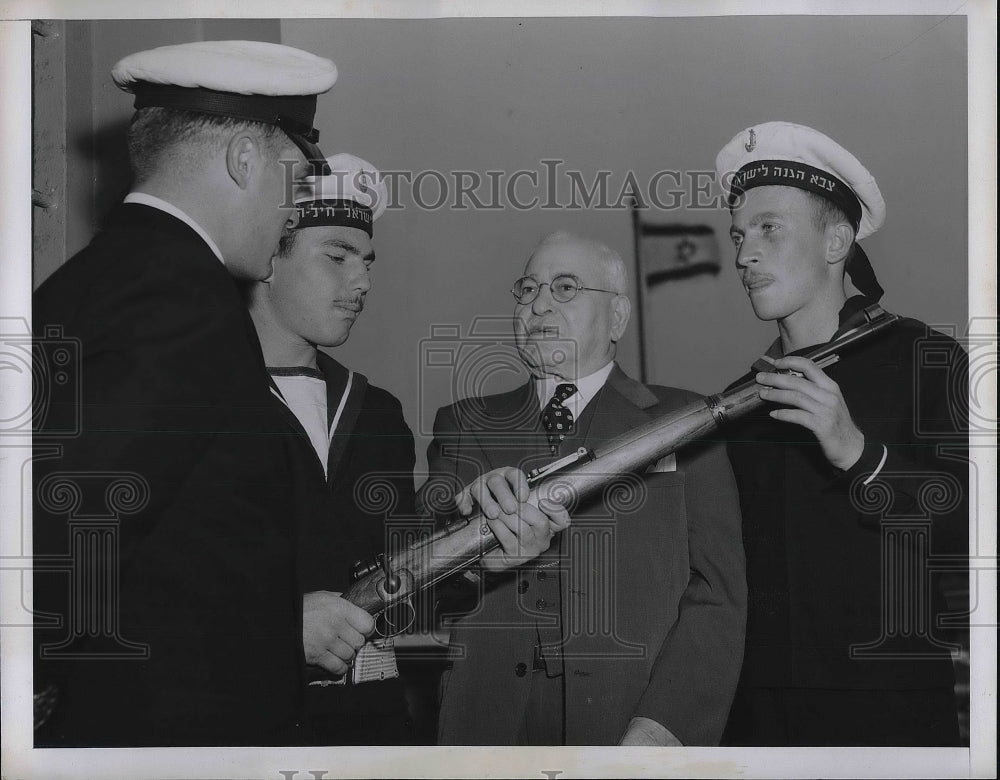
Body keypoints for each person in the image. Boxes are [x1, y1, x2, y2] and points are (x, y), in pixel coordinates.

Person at [31, 40, 348, 746]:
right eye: (296, 184)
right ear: (244, 160)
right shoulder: (184, 301)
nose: (296, 213)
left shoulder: (85, 283)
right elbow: (70, 537)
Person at [245, 153, 569, 744]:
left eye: (366, 261)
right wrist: (270, 632)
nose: (362, 280)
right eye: (337, 256)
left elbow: (399, 591)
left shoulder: (376, 412)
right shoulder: (195, 396)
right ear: (268, 253)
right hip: (235, 730)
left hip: (370, 729)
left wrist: (480, 557)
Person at [422, 231, 746, 746]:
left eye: (565, 287)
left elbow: (717, 596)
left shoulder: (687, 421)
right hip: (488, 731)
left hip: (629, 724)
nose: (539, 302)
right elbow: (422, 582)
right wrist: (470, 534)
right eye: (527, 289)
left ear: (617, 317)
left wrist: (666, 726)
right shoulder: (463, 425)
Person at [715, 121, 968, 746]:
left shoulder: (924, 360)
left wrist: (859, 452)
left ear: (837, 240)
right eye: (740, 235)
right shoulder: (736, 402)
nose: (745, 255)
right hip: (756, 717)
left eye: (770, 229)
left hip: (890, 715)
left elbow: (974, 535)